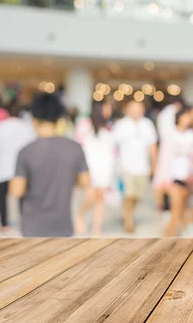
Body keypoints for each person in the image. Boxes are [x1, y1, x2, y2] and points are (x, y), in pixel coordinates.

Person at [9, 93, 90, 237]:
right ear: (58, 120)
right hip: (64, 225)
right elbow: (85, 181)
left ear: (34, 120)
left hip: (33, 227)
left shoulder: (26, 151)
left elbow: (16, 190)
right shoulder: (75, 148)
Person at [0, 102, 36, 232]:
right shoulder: (28, 128)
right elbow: (32, 151)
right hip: (22, 169)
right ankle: (24, 222)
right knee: (23, 197)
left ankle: (3, 224)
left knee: (1, 198)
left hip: (2, 168)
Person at [113, 99, 158, 233]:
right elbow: (114, 146)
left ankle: (128, 212)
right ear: (127, 109)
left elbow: (152, 146)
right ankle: (128, 220)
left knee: (138, 195)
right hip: (126, 167)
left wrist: (154, 163)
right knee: (129, 193)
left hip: (142, 167)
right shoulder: (121, 125)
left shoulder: (147, 124)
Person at [74, 100, 116, 236]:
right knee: (90, 196)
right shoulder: (84, 124)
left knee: (100, 198)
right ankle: (80, 216)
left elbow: (112, 152)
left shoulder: (109, 127)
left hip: (105, 169)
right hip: (89, 168)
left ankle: (97, 228)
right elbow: (78, 147)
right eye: (107, 107)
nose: (109, 111)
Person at [161, 107, 193, 237]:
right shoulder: (171, 135)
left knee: (184, 208)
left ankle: (181, 233)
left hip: (187, 176)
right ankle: (169, 235)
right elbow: (165, 158)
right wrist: (165, 179)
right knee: (176, 209)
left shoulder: (192, 136)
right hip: (173, 176)